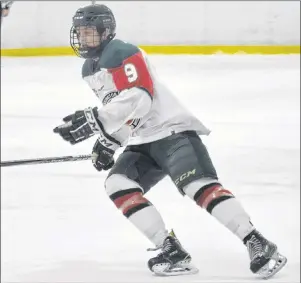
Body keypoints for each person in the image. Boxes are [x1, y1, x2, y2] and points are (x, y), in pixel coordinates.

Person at [53, 4, 287, 278]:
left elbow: (140, 97)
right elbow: (127, 113)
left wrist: (98, 121)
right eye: (80, 32)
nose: (83, 38)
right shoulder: (89, 70)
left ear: (106, 32)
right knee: (118, 184)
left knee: (195, 186)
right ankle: (170, 249)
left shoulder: (122, 52)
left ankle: (257, 242)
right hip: (143, 141)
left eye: (89, 32)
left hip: (172, 131)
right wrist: (110, 141)